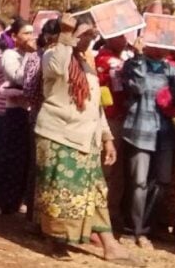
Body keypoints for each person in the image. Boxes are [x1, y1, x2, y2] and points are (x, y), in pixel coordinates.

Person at [33, 15, 142, 266]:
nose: (88, 40)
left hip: (87, 139)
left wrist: (107, 138)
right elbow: (59, 68)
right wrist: (65, 35)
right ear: (68, 34)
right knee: (61, 195)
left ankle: (109, 245)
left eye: (90, 36)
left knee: (95, 193)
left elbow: (96, 106)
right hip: (59, 136)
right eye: (83, 35)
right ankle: (57, 240)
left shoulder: (87, 64)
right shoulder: (53, 55)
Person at [122, 38, 175, 248]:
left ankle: (147, 228)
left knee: (162, 182)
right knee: (138, 182)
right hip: (139, 128)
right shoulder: (132, 63)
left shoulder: (173, 70)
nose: (161, 47)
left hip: (164, 132)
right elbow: (137, 88)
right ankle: (133, 230)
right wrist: (139, 57)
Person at [0, 18, 37, 216]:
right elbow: (17, 77)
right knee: (7, 157)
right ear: (14, 37)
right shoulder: (9, 55)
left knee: (22, 160)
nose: (30, 37)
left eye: (32, 32)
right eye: (26, 33)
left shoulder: (31, 55)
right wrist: (31, 57)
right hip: (10, 112)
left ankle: (15, 200)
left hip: (27, 112)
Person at [96, 33, 133, 230]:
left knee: (119, 172)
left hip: (124, 116)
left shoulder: (125, 59)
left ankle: (113, 212)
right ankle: (101, 215)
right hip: (110, 118)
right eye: (119, 37)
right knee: (107, 168)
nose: (124, 40)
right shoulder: (103, 60)